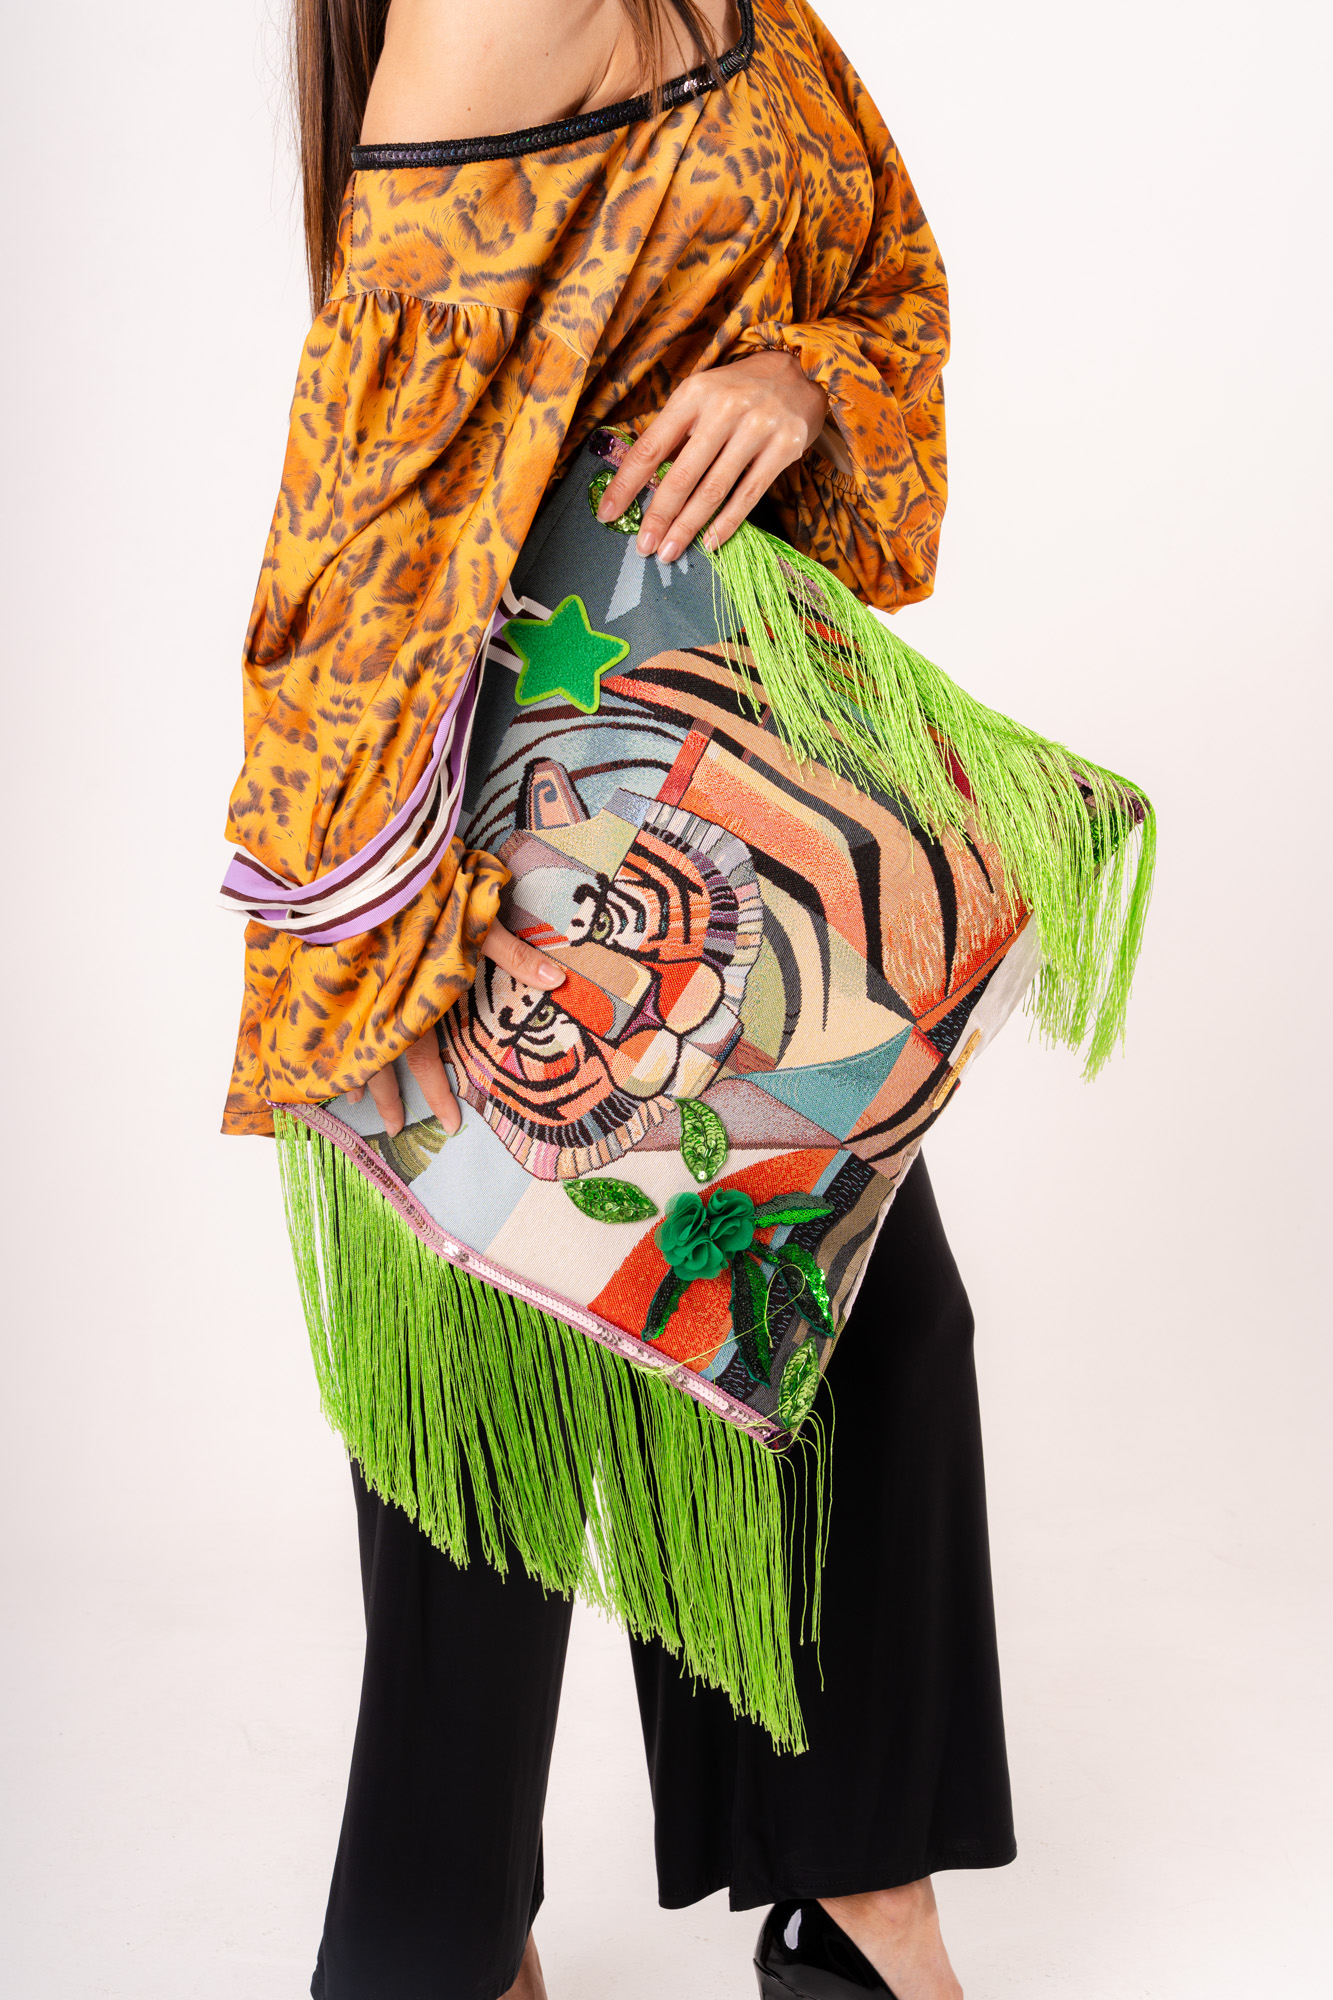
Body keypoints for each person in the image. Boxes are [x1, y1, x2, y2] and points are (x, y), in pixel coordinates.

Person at [225, 3, 1018, 1994]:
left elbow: (892, 285)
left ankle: (854, 1909)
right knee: (486, 1428)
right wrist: (363, 922)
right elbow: (368, 481)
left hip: (718, 778)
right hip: (517, 821)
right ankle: (438, 1950)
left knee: (852, 1321)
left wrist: (797, 380)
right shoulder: (507, 10)